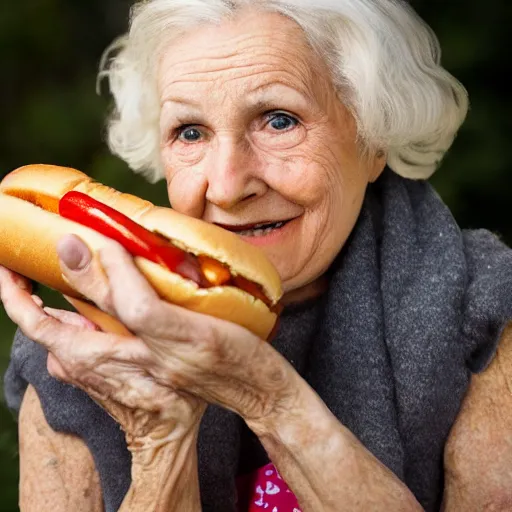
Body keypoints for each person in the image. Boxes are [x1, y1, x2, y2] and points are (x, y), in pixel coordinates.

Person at [1, 0, 512, 511]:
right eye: (191, 132)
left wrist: (268, 398)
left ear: (374, 139)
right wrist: (161, 439)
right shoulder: (73, 358)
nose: (225, 187)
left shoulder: (484, 306)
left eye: (279, 120)